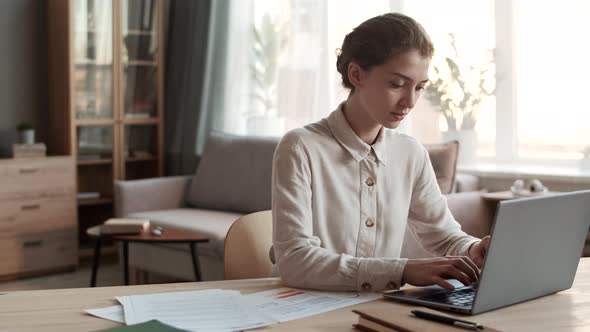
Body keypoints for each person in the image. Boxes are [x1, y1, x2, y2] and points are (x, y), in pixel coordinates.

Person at [271, 12, 490, 292]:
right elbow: (294, 261)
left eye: (420, 88)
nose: (410, 101)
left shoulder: (411, 154)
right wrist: (403, 270)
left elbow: (444, 237)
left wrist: (474, 249)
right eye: (397, 84)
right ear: (356, 74)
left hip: (381, 307)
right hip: (306, 307)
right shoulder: (300, 148)